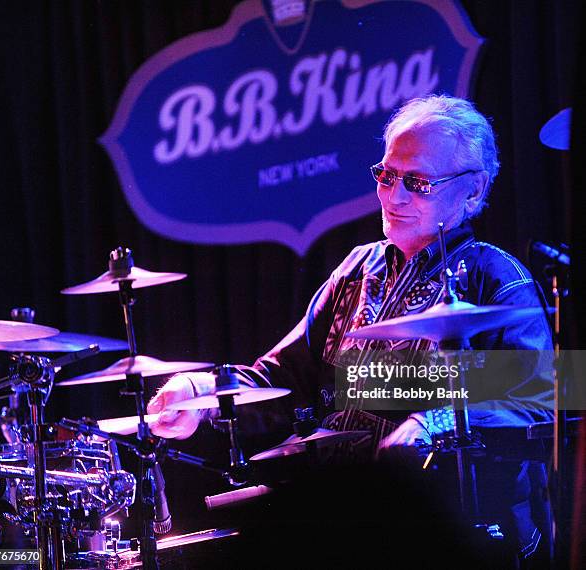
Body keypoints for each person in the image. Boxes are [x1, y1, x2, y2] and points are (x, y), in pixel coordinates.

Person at [148, 95, 554, 563]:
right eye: (386, 175)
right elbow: (282, 381)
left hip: (450, 527)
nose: (392, 196)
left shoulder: (497, 278)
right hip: (344, 515)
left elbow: (539, 396)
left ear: (473, 190)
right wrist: (200, 395)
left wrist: (432, 422)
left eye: (417, 182)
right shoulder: (356, 269)